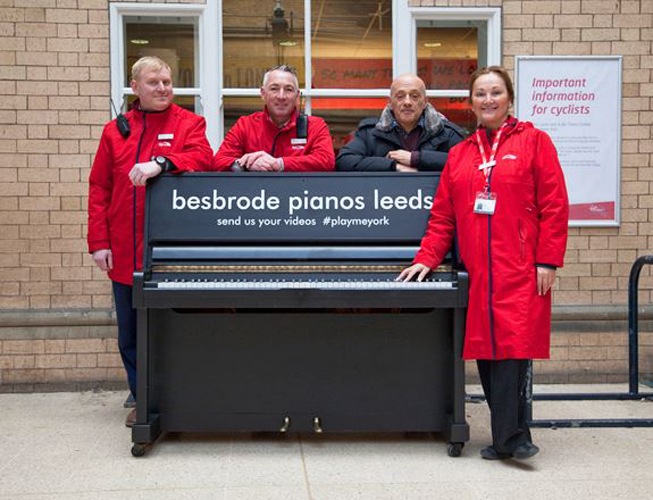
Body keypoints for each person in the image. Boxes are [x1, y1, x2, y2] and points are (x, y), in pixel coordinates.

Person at [397, 66, 569, 460]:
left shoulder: (535, 142)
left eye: (495, 93)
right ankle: (505, 437)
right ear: (470, 102)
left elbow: (555, 206)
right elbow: (443, 217)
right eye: (480, 94)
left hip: (521, 267)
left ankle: (513, 438)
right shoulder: (460, 154)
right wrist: (426, 258)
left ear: (509, 98)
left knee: (512, 351)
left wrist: (548, 260)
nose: (488, 100)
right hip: (479, 272)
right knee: (488, 353)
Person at [87, 56, 214, 427]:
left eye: (167, 82)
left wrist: (162, 161)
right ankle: (143, 401)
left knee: (173, 327)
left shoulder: (190, 123)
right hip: (125, 250)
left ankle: (182, 394)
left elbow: (204, 158)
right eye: (154, 82)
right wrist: (99, 241)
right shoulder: (115, 131)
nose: (162, 88)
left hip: (172, 251)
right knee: (131, 331)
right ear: (135, 86)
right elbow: (99, 188)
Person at [213, 64, 335, 172]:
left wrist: (279, 164)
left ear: (297, 96)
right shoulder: (245, 125)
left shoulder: (315, 126)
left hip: (300, 196)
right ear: (263, 93)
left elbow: (327, 161)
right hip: (255, 196)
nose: (281, 96)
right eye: (274, 89)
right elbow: (218, 162)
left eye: (288, 89)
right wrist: (246, 164)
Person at [335, 73, 465, 172]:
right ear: (390, 103)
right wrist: (394, 166)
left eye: (414, 96)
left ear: (425, 102)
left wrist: (416, 159)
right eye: (400, 96)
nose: (407, 102)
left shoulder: (447, 133)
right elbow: (344, 161)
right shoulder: (370, 132)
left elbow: (466, 163)